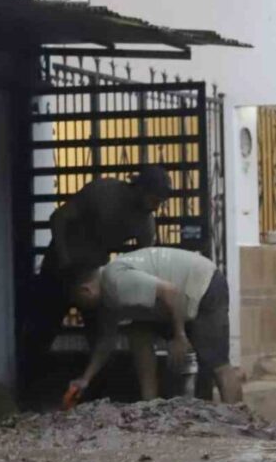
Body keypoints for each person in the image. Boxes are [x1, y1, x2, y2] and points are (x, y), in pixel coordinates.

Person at [22, 166, 172, 387]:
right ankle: (29, 387)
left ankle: (93, 393)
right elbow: (59, 218)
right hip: (60, 267)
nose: (157, 207)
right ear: (140, 189)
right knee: (41, 329)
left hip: (93, 272)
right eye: (155, 199)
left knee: (101, 334)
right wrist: (64, 258)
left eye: (161, 202)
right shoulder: (103, 193)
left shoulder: (145, 223)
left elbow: (144, 260)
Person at [68, 246, 242, 404]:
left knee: (217, 363)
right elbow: (106, 341)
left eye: (79, 303)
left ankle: (240, 422)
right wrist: (85, 379)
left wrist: (178, 336)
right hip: (175, 300)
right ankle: (150, 405)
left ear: (86, 290)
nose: (82, 310)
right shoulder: (108, 300)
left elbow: (169, 291)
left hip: (202, 283)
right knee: (137, 332)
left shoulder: (115, 280)